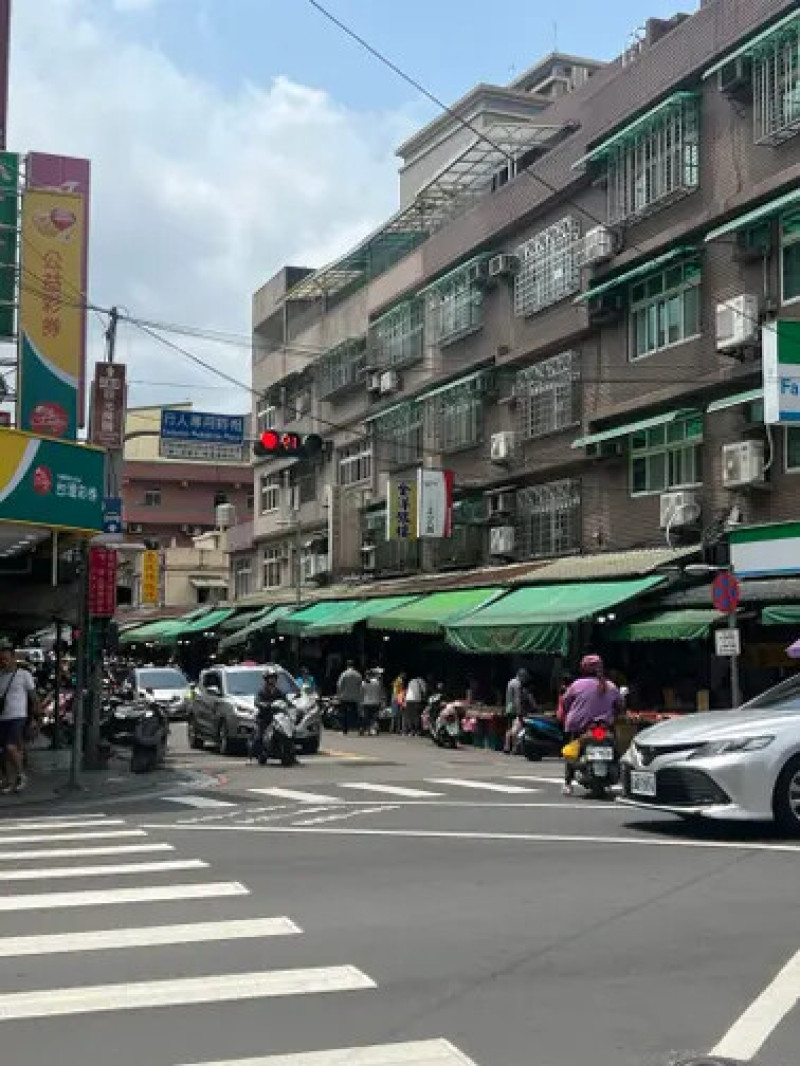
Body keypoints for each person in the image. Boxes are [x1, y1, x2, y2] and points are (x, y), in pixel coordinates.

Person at [560, 654, 623, 796]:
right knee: (616, 750)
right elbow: (620, 706)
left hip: (583, 729)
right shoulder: (611, 686)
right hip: (601, 730)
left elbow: (565, 703)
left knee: (571, 753)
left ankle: (567, 783)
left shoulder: (576, 685)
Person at [0, 638, 40, 794]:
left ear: (13, 658)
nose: (3, 662)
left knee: (11, 747)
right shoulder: (0, 676)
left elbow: (34, 697)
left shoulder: (24, 675)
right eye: (1, 659)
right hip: (2, 717)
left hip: (18, 717)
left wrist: (36, 720)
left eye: (5, 659)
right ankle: (8, 780)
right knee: (3, 751)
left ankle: (21, 775)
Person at [253, 666, 282, 761]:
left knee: (289, 732)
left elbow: (285, 700)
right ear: (266, 679)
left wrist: (292, 705)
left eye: (274, 678)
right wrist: (263, 705)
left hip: (278, 717)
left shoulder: (278, 691)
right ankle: (258, 753)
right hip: (264, 717)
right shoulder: (261, 691)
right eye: (270, 678)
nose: (272, 680)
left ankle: (290, 754)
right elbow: (257, 701)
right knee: (259, 736)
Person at [504, 668, 536, 754]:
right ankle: (514, 749)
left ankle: (506, 746)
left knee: (509, 728)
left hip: (508, 708)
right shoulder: (518, 684)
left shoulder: (510, 681)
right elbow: (517, 699)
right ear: (522, 676)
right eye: (525, 677)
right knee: (516, 729)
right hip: (514, 709)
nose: (525, 679)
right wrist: (519, 711)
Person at [336, 660, 363, 736]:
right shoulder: (358, 675)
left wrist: (339, 695)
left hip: (345, 697)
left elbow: (339, 685)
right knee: (355, 713)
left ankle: (344, 730)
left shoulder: (344, 674)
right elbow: (361, 686)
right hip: (355, 697)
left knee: (344, 713)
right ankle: (359, 728)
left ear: (347, 665)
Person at [360, 668, 385, 736]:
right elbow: (380, 692)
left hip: (366, 702)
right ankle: (375, 729)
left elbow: (361, 693)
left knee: (366, 717)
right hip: (375, 702)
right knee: (374, 717)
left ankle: (365, 730)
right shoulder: (377, 682)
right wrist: (381, 700)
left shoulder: (363, 682)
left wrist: (360, 701)